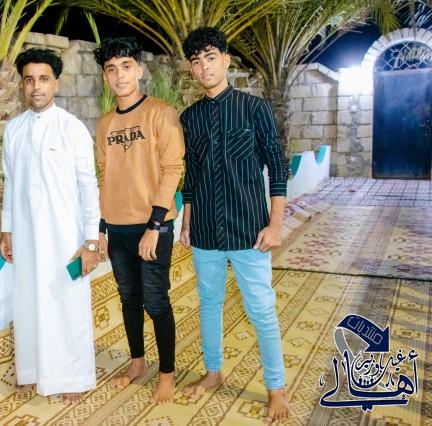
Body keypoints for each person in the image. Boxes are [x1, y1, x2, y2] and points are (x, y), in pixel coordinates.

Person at [178, 27, 290, 423]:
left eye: (211, 58)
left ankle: (276, 388)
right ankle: (213, 372)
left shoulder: (254, 108)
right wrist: (187, 221)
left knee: (261, 309)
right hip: (205, 231)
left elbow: (277, 167)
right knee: (209, 304)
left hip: (250, 231)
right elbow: (191, 175)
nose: (204, 67)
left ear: (225, 60)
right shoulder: (189, 118)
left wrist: (275, 224)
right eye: (196, 61)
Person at [0, 48, 100, 405]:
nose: (36, 87)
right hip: (27, 237)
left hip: (64, 238)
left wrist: (91, 241)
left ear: (56, 83)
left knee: (67, 305)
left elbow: (88, 185)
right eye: (29, 80)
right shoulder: (13, 130)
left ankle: (74, 376)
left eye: (43, 79)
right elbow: (11, 182)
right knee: (28, 302)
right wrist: (7, 229)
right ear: (22, 85)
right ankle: (31, 371)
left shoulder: (72, 128)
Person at [94, 37, 185, 405]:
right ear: (105, 76)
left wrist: (154, 226)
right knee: (129, 298)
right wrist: (101, 229)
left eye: (126, 66)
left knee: (155, 300)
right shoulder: (104, 124)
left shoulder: (161, 113)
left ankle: (167, 374)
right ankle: (137, 362)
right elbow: (104, 177)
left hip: (153, 226)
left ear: (140, 70)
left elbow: (173, 168)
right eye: (112, 69)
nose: (120, 75)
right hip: (117, 227)